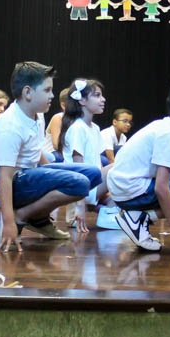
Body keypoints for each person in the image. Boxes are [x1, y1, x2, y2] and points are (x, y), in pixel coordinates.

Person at [0, 61, 94, 251]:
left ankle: (39, 218)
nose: (52, 95)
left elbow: (36, 154)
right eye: (47, 90)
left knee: (92, 173)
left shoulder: (37, 114)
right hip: (13, 185)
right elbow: (4, 177)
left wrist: (53, 173)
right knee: (80, 183)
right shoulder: (9, 126)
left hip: (28, 178)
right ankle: (22, 216)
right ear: (28, 93)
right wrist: (9, 223)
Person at [107, 78, 170, 254]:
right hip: (129, 190)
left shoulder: (163, 125)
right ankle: (137, 218)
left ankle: (137, 217)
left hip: (125, 184)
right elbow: (161, 188)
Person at [58, 79, 115, 231]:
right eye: (97, 95)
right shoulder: (78, 128)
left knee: (119, 201)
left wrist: (106, 191)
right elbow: (79, 171)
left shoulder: (94, 128)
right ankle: (82, 209)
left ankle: (103, 211)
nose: (103, 99)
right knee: (119, 166)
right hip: (82, 188)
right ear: (82, 100)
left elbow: (97, 163)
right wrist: (80, 206)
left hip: (91, 185)